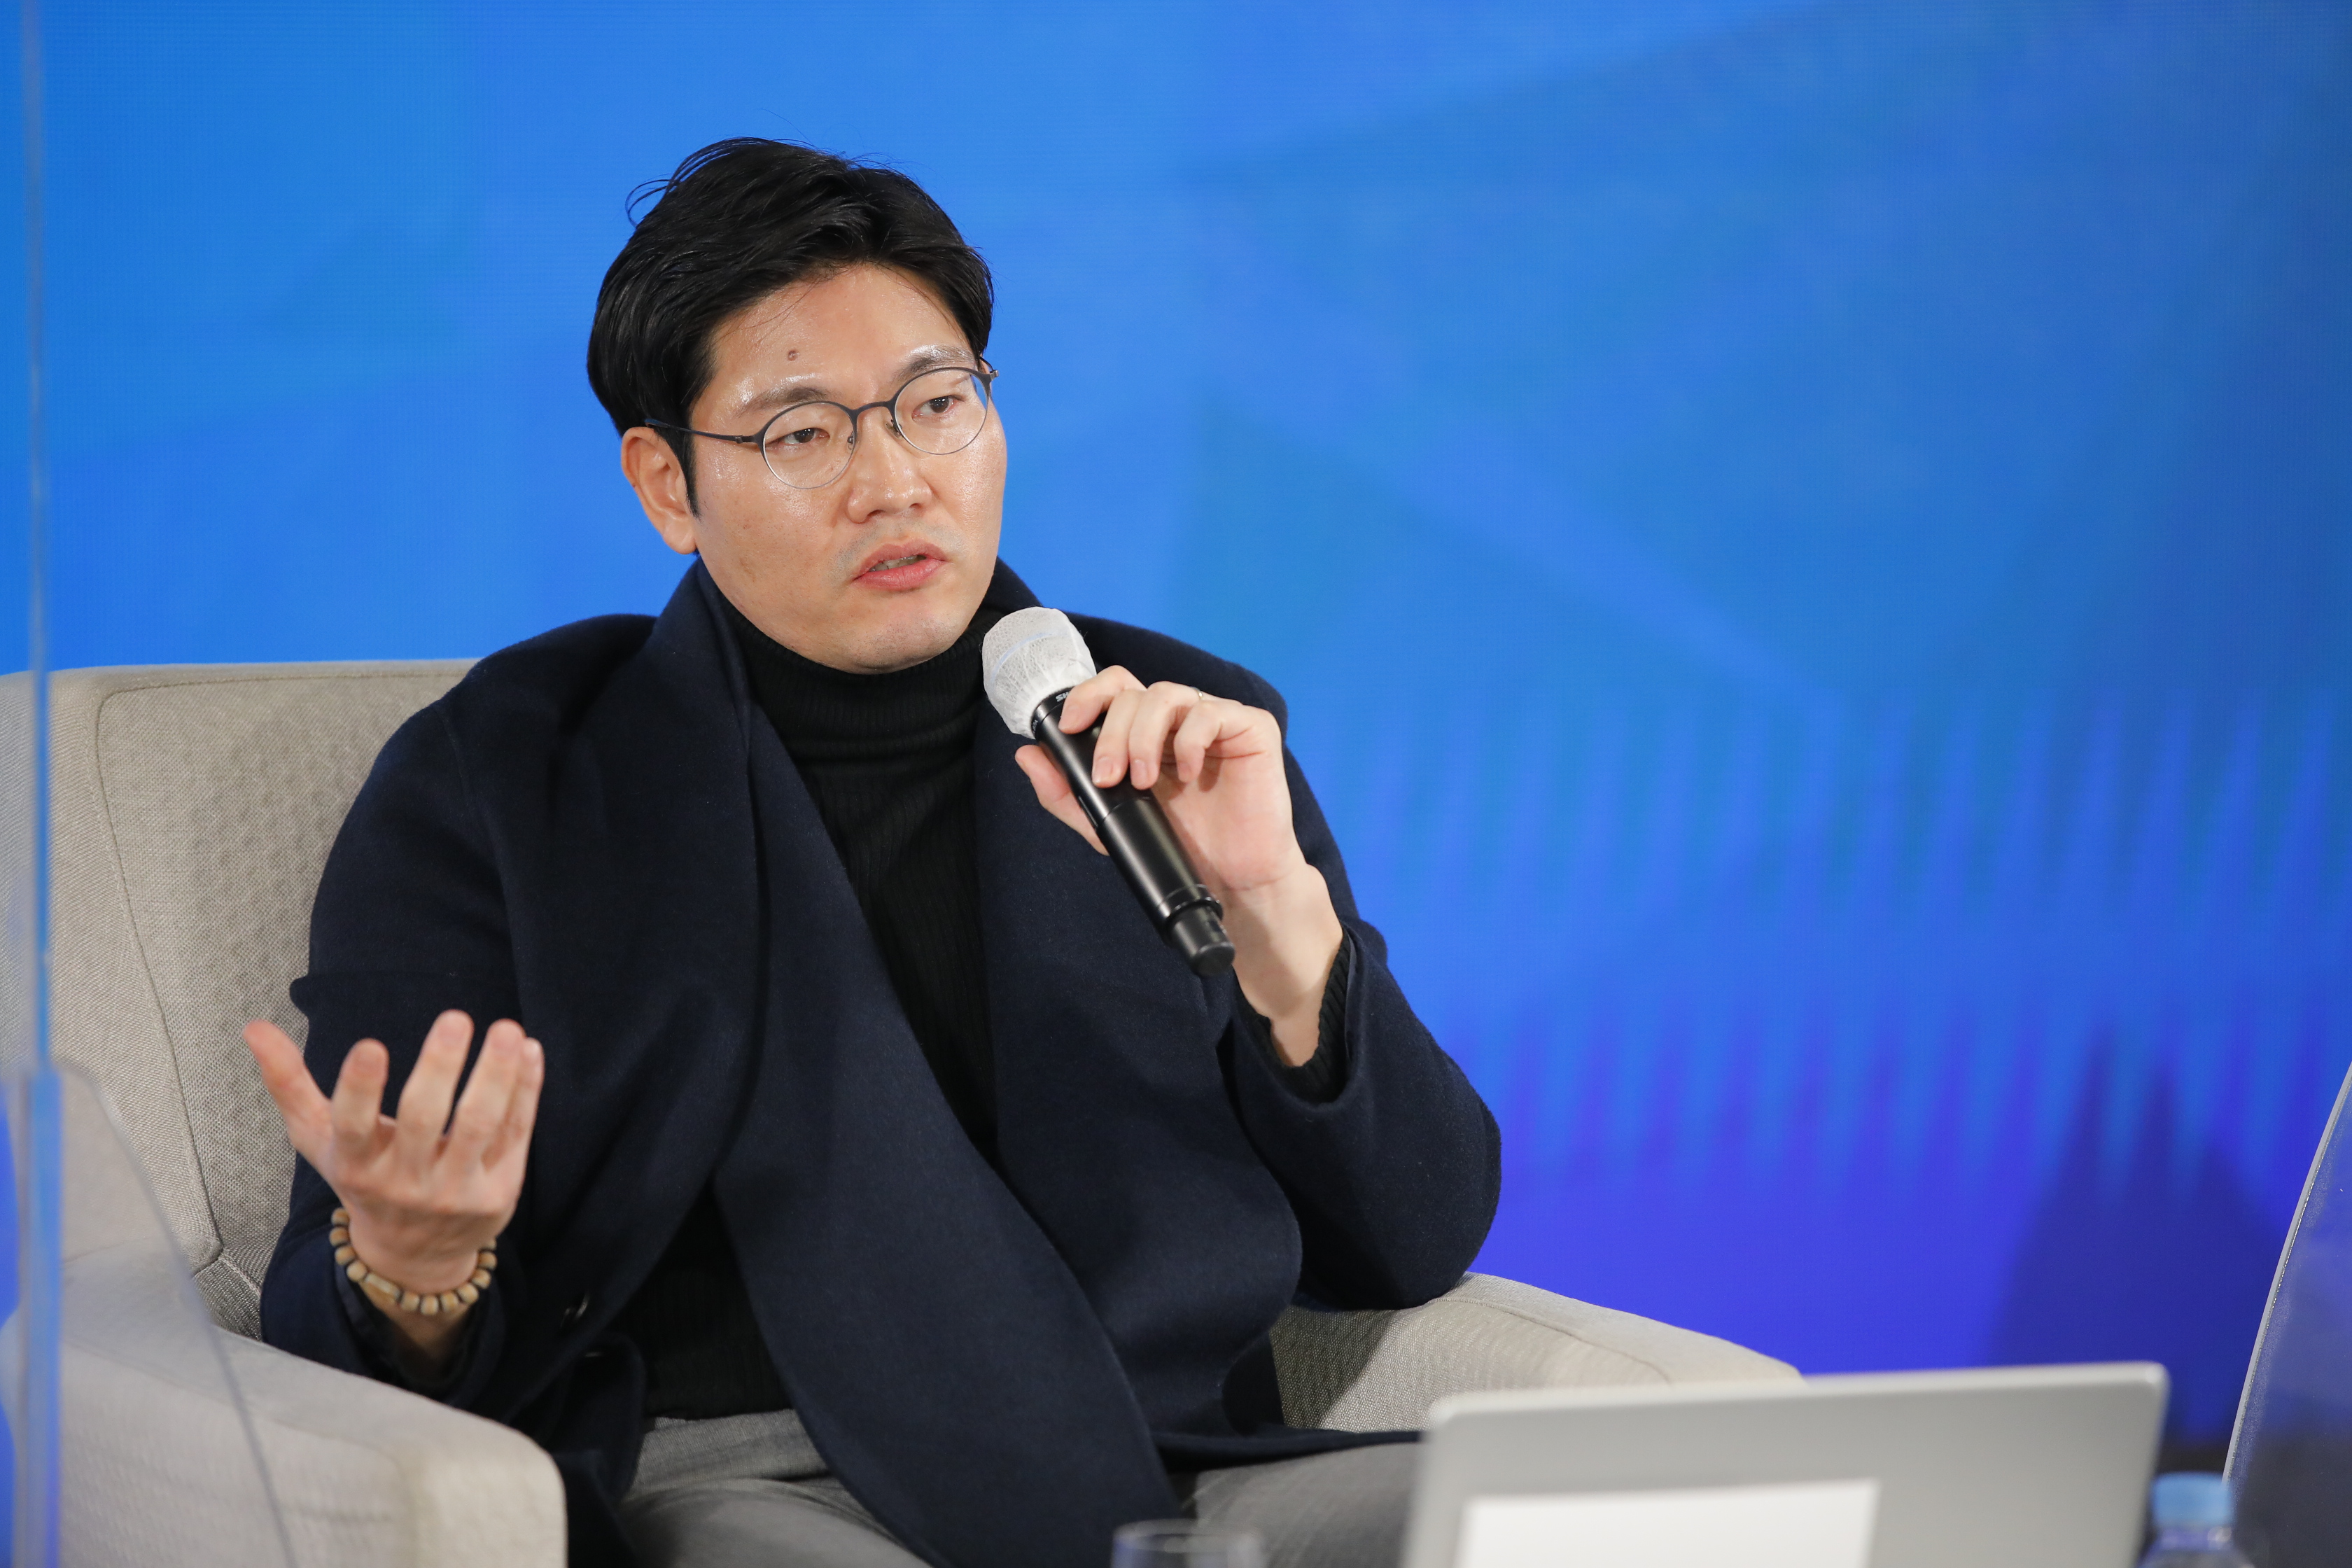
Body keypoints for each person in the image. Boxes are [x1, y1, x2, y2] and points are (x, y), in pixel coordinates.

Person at [245, 138, 1499, 1568]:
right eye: (801, 433)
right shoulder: (513, 778)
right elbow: (330, 1317)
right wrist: (415, 1266)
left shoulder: (1172, 730)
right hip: (746, 1479)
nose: (894, 480)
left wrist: (1278, 915)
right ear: (667, 485)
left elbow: (1411, 1238)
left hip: (1167, 1466)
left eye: (937, 405)